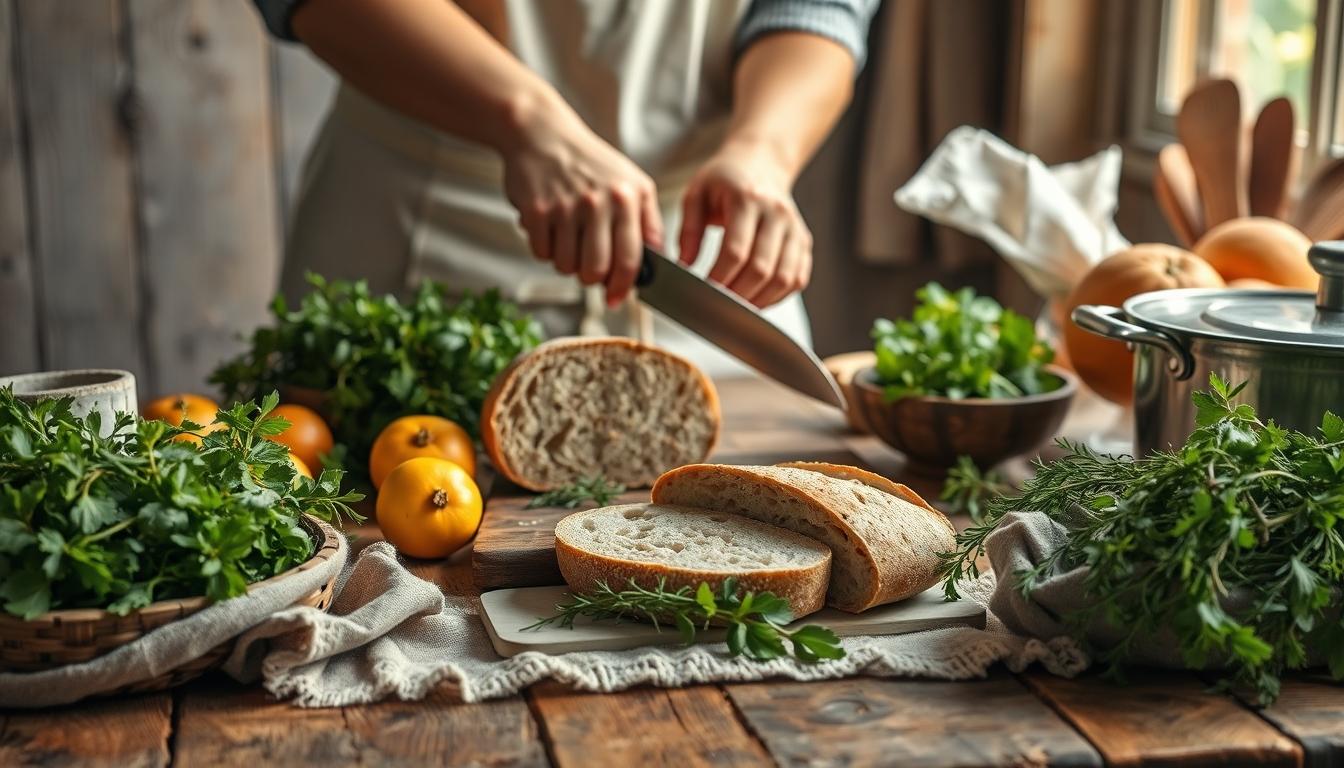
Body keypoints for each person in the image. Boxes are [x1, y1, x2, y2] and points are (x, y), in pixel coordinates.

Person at [253, 0, 877, 373]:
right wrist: (524, 120)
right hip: (423, 237)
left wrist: (763, 151)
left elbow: (820, 7)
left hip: (706, 255)